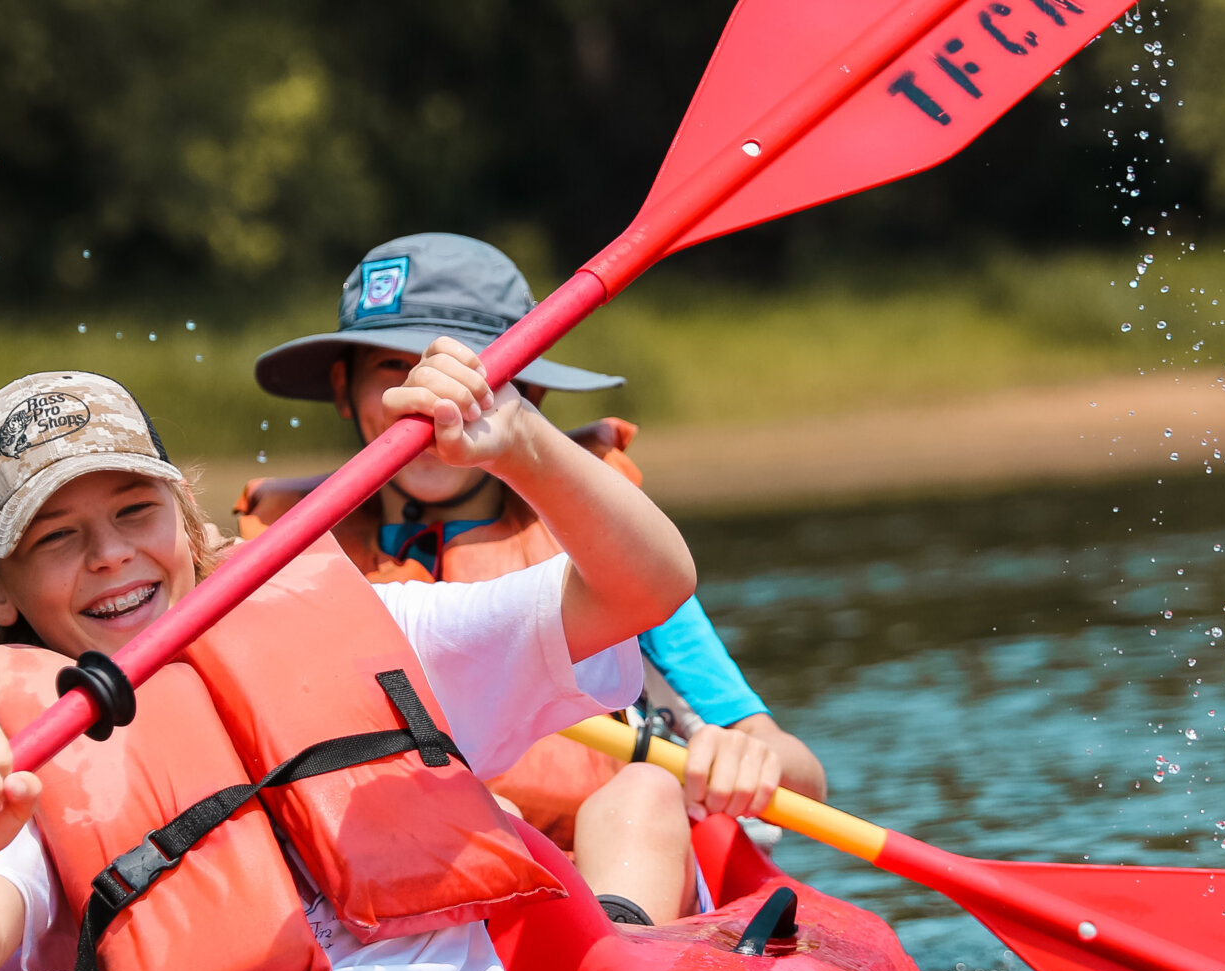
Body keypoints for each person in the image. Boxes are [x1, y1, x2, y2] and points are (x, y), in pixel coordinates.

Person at [0, 354, 693, 971]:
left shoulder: (383, 633)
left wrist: (524, 446)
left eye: (135, 511)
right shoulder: (26, 748)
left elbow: (647, 588)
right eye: (57, 537)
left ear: (187, 518)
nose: (111, 556)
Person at [236, 233, 826, 925]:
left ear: (528, 389)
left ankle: (612, 963)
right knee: (482, 813)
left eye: (459, 371)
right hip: (400, 889)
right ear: (344, 388)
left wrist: (746, 758)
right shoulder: (288, 561)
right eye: (393, 368)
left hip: (600, 886)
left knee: (643, 791)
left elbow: (802, 773)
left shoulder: (606, 558)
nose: (426, 400)